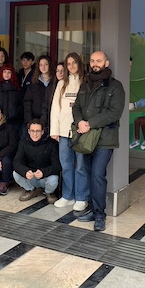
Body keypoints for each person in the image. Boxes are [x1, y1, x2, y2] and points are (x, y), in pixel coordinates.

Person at [73, 51, 126, 231]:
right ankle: (93, 210)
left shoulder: (115, 86)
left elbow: (114, 113)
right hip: (86, 139)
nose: (95, 63)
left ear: (106, 63)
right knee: (88, 173)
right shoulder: (85, 84)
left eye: (99, 61)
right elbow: (77, 107)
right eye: (93, 61)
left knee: (97, 175)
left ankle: (100, 215)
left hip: (104, 139)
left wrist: (89, 123)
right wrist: (79, 121)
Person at [50, 52, 89, 212]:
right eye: (69, 63)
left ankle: (81, 198)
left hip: (80, 131)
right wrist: (55, 130)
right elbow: (55, 109)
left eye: (74, 63)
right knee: (66, 165)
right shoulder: (61, 84)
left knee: (81, 166)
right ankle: (68, 196)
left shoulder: (85, 83)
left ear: (79, 64)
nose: (72, 66)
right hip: (64, 132)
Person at [13, 119, 60, 204]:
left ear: (42, 132)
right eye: (32, 131)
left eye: (38, 131)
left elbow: (57, 165)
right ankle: (30, 190)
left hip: (45, 177)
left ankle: (49, 193)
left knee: (54, 179)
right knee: (15, 173)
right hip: (31, 177)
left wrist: (43, 172)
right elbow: (16, 161)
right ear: (28, 131)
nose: (35, 134)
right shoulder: (23, 142)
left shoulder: (51, 143)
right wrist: (25, 171)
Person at [24, 55, 55, 130]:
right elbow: (27, 102)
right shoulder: (34, 83)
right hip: (36, 121)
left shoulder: (55, 82)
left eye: (46, 64)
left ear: (50, 65)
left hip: (53, 120)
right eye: (41, 65)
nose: (43, 67)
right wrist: (29, 121)